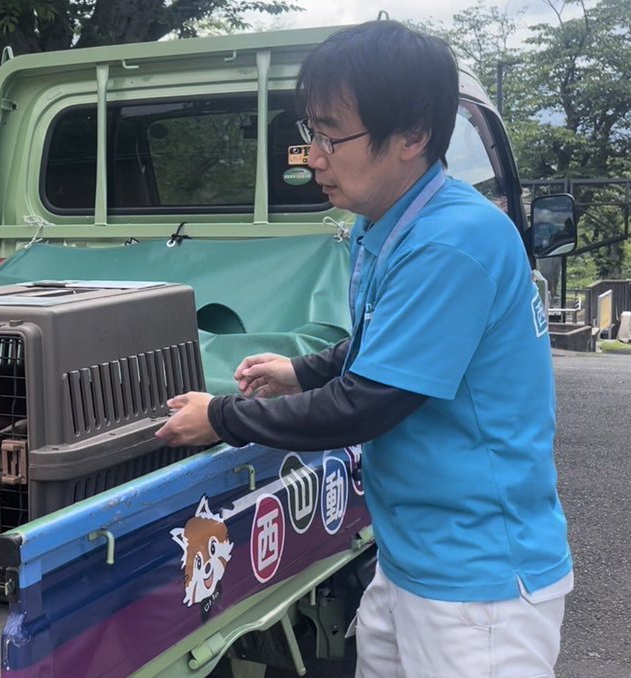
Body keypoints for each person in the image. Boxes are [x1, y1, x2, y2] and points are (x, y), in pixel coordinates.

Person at [156, 21, 571, 677]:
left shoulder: (451, 242)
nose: (311, 157)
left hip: (478, 583)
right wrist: (299, 370)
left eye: (330, 136)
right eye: (309, 134)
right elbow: (380, 344)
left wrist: (221, 417)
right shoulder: (388, 224)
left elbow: (367, 404)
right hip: (415, 559)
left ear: (413, 135)